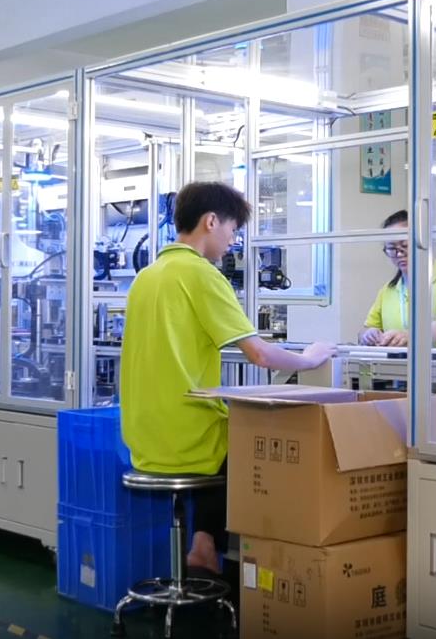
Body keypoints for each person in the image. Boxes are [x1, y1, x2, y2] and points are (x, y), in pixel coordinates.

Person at [119, 181, 337, 575]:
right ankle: (272, 568)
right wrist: (310, 359)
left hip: (141, 438)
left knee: (228, 432)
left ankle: (204, 543)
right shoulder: (201, 275)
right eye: (233, 230)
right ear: (211, 222)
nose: (233, 241)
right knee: (260, 443)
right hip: (185, 435)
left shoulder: (146, 277)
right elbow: (259, 353)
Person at [358, 210, 436, 349]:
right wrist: (368, 334)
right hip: (399, 362)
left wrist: (411, 336)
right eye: (391, 248)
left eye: (404, 246)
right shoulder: (388, 290)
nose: (399, 254)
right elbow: (366, 329)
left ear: (422, 244)